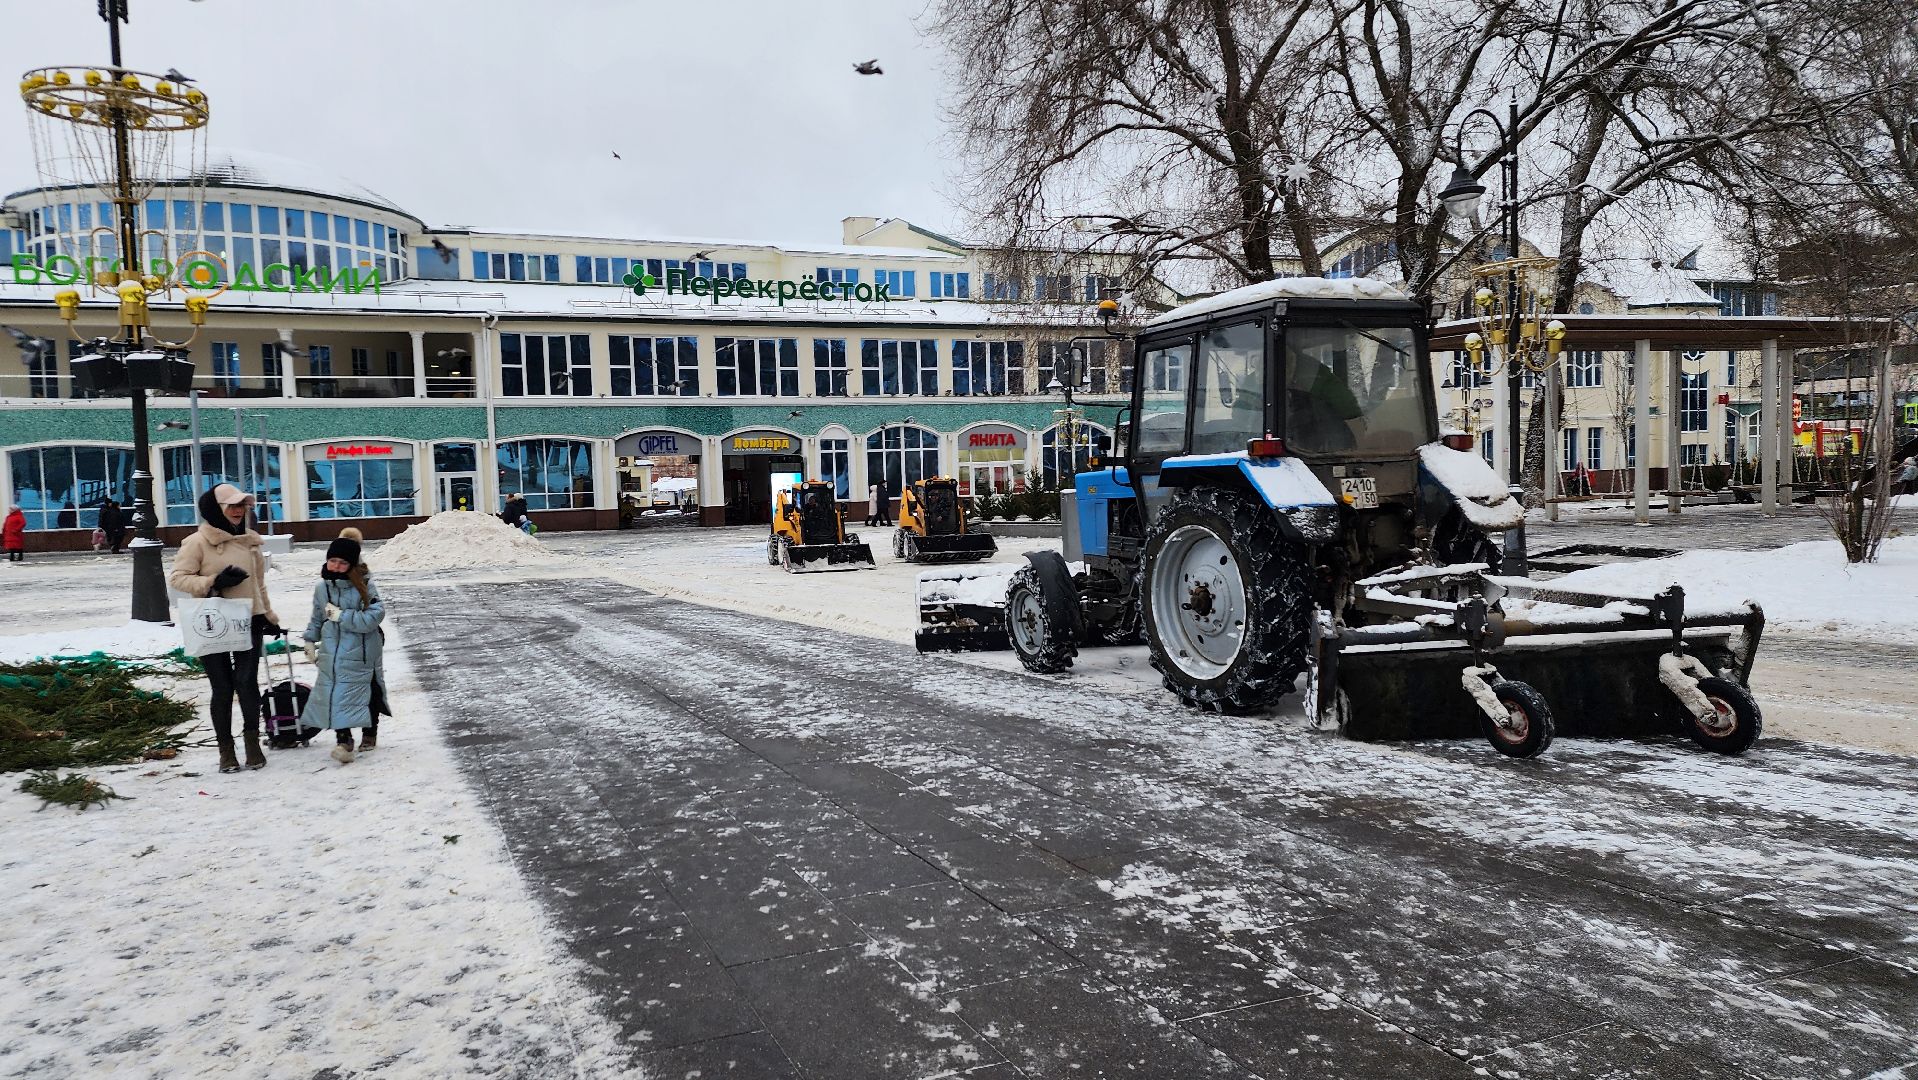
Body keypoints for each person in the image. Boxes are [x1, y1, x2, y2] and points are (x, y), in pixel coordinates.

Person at [168, 484, 282, 774]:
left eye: (241, 505)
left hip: (247, 620)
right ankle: (226, 750)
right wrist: (213, 582)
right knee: (221, 687)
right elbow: (178, 578)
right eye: (231, 505)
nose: (237, 510)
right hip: (211, 624)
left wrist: (268, 616)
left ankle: (252, 743)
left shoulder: (250, 542)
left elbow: (259, 584)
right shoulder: (197, 542)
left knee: (246, 682)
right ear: (216, 509)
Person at [301, 527, 389, 764]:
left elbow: (375, 616)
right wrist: (310, 640)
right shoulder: (322, 588)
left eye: (342, 563)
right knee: (335, 693)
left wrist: (342, 616)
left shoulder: (364, 584)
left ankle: (370, 732)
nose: (336, 566)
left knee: (365, 691)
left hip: (362, 649)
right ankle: (344, 740)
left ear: (351, 564)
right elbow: (317, 616)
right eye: (332, 561)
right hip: (332, 649)